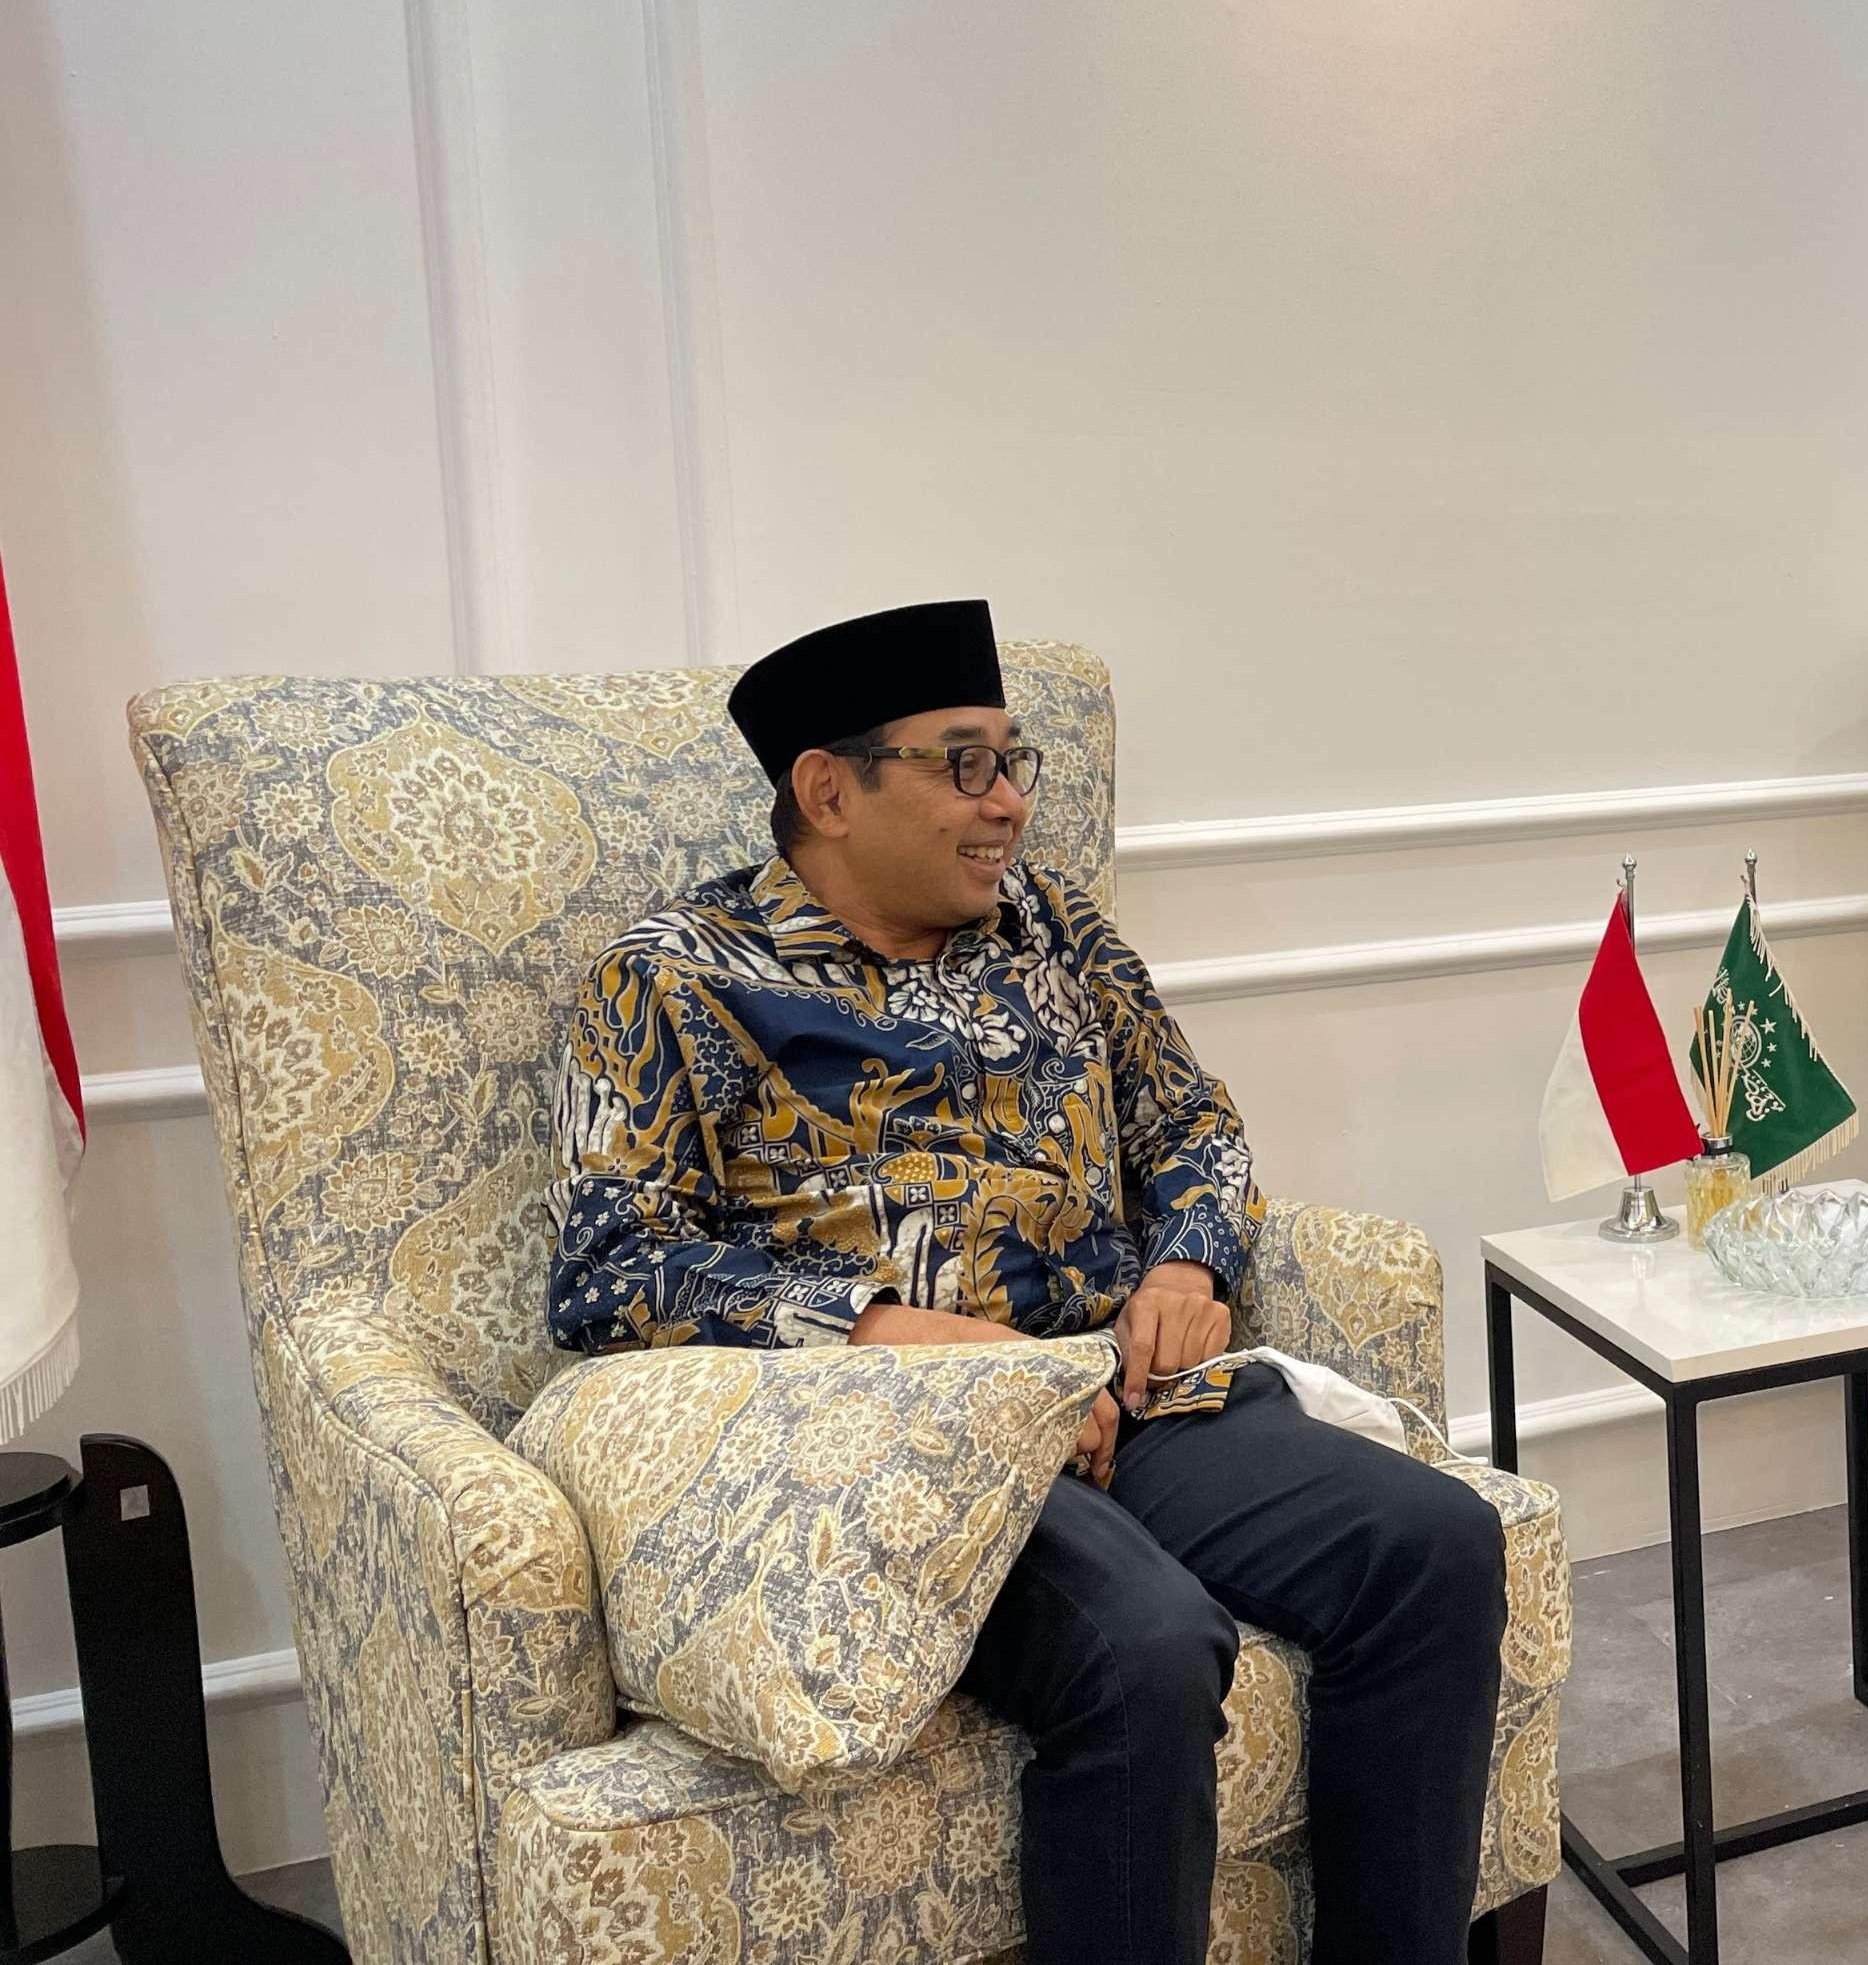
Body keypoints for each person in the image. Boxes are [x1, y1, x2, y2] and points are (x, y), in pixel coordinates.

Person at [547, 600, 1509, 1965]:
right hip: (899, 1448)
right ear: (828, 789)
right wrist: (896, 1334)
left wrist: (1188, 1257)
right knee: (1146, 1645)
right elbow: (609, 1267)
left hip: (1122, 1392)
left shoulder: (1050, 928)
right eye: (964, 765)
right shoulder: (672, 978)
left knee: (1431, 1543)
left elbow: (1195, 1126)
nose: (1006, 804)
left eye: (1014, 763)